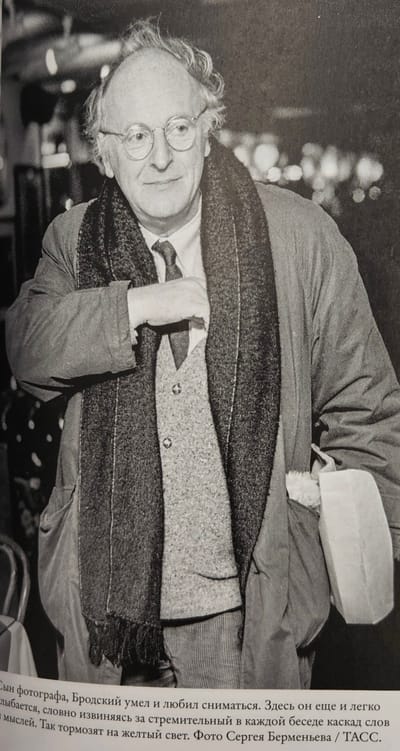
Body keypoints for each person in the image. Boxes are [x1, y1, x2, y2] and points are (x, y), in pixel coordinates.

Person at [6, 20, 400, 690]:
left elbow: (372, 416)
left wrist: (329, 563)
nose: (161, 155)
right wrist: (138, 305)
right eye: (136, 135)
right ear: (106, 155)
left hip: (252, 617)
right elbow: (27, 346)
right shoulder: (73, 242)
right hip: (109, 624)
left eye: (179, 128)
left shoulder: (299, 238)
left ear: (208, 130)